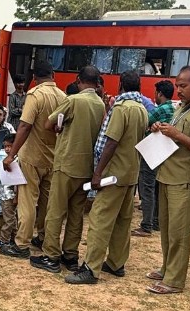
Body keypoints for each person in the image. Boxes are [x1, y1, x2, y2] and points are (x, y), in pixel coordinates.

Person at [65, 70, 148, 284]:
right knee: (122, 221)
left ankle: (90, 269)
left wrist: (97, 173)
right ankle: (116, 263)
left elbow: (111, 142)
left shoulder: (121, 108)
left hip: (113, 175)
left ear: (120, 85)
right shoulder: (141, 108)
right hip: (130, 174)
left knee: (100, 220)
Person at [146, 66, 190, 295]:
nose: (179, 90)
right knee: (167, 228)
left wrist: (177, 135)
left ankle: (175, 280)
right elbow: (172, 136)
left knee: (179, 231)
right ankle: (168, 268)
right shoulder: (181, 108)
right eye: (177, 86)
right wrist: (159, 129)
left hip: (184, 178)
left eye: (183, 86)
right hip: (167, 174)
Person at [30, 65, 105, 274]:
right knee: (76, 213)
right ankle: (70, 254)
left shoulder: (73, 100)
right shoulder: (100, 104)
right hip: (86, 167)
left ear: (78, 80)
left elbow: (49, 124)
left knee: (55, 211)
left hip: (66, 163)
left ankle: (51, 255)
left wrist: (60, 127)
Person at [0, 61, 66, 259]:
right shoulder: (63, 96)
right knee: (47, 203)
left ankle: (22, 244)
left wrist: (11, 155)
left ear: (34, 78)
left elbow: (25, 126)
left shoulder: (35, 95)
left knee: (28, 202)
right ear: (53, 75)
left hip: (32, 157)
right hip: (53, 157)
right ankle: (44, 237)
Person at [133, 80, 175, 238]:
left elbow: (144, 122)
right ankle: (156, 221)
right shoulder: (174, 108)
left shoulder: (160, 109)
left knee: (147, 188)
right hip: (163, 153)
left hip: (151, 152)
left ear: (160, 94)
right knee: (156, 187)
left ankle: (146, 225)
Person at [0, 134, 18, 248]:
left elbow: (18, 181)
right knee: (11, 217)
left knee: (9, 219)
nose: (7, 149)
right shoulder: (7, 159)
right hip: (5, 193)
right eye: (5, 146)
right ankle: (14, 237)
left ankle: (4, 239)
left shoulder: (15, 161)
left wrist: (16, 196)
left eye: (10, 146)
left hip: (10, 195)